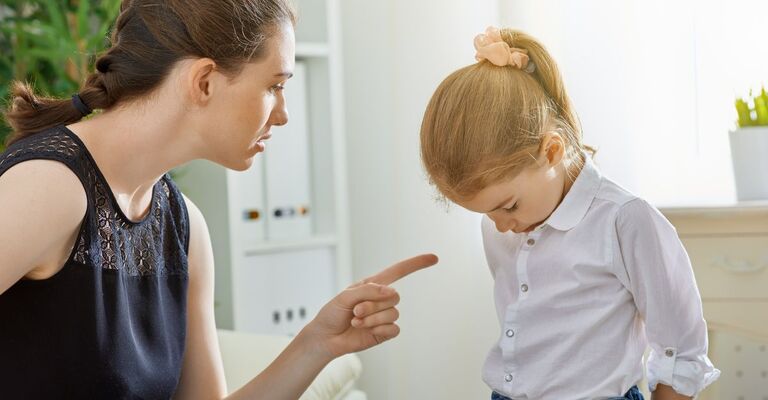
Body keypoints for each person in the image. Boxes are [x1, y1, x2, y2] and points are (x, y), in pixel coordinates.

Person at [0, 1, 438, 398]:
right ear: (205, 81)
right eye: (274, 85)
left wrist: (316, 343)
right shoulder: (51, 186)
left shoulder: (184, 226)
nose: (283, 114)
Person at [419, 26, 719, 400]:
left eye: (508, 206)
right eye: (484, 213)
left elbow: (681, 349)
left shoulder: (624, 221)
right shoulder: (500, 228)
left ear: (551, 152)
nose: (500, 226)